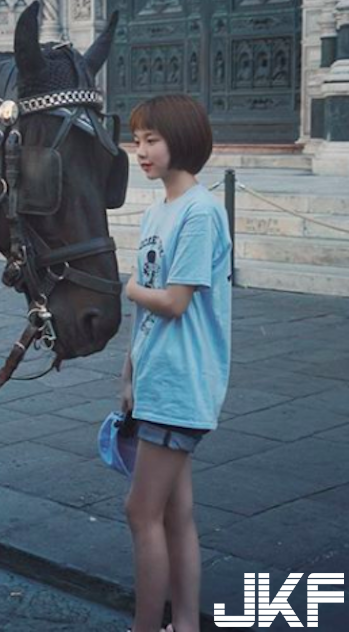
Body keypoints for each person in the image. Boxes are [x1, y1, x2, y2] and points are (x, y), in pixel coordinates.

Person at [121, 94, 232, 632]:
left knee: (140, 514)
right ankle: (183, 625)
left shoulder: (201, 211)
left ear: (181, 141)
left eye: (151, 140)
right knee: (173, 514)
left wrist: (129, 289)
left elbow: (173, 301)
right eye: (137, 140)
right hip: (158, 377)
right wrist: (129, 373)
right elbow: (152, 311)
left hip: (181, 381)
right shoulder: (158, 209)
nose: (139, 151)